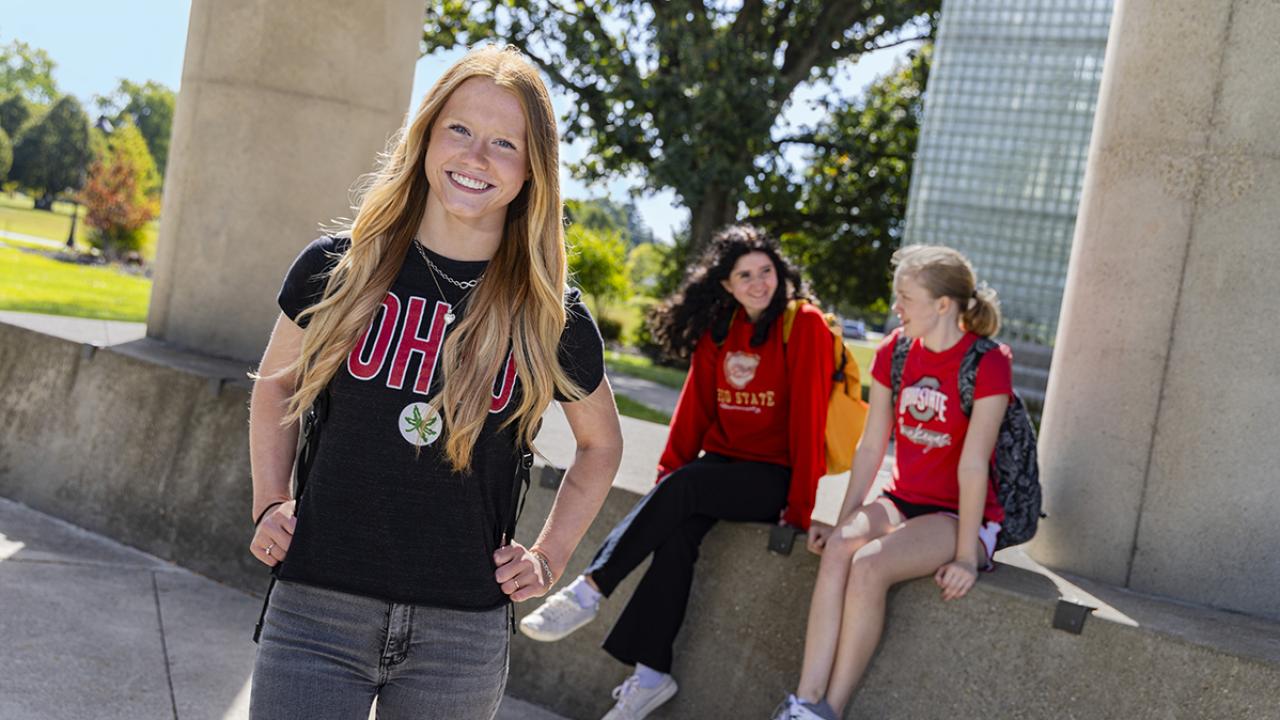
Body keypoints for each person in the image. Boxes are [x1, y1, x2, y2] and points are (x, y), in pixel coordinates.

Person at [246, 45, 623, 720]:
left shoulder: (548, 312)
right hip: (317, 608)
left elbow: (601, 446)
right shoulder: (338, 266)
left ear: (534, 169)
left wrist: (549, 555)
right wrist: (270, 501)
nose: (476, 158)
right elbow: (276, 385)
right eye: (460, 131)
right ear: (425, 138)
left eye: (504, 143)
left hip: (461, 634)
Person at [519, 225, 835, 720]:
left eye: (766, 271)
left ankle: (591, 589)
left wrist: (798, 510)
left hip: (772, 476)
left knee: (687, 487)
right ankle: (650, 676)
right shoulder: (720, 327)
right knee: (677, 532)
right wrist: (666, 482)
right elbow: (695, 411)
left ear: (780, 273)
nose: (758, 283)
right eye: (744, 275)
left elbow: (809, 420)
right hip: (718, 471)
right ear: (727, 284)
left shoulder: (805, 325)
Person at [772, 245, 1011, 720]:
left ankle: (829, 710)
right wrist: (842, 522)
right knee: (841, 548)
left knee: (868, 567)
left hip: (959, 513)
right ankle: (803, 699)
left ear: (943, 305)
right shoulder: (895, 351)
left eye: (905, 297)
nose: (896, 308)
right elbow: (870, 447)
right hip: (902, 498)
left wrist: (966, 556)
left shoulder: (988, 361)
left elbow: (973, 464)